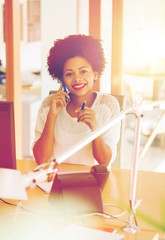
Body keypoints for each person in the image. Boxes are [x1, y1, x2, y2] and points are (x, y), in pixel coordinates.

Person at [32, 34, 120, 168]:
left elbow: (104, 161)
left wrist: (94, 127)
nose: (77, 78)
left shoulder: (108, 105)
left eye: (83, 71)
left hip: (92, 181)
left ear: (95, 74)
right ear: (61, 79)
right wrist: (52, 116)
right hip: (55, 181)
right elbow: (41, 160)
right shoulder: (49, 105)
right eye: (69, 74)